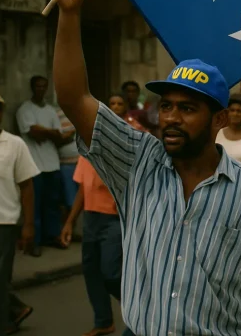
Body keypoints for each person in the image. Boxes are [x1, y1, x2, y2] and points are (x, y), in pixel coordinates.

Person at [52, 0, 241, 336]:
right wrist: (70, 14)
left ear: (218, 120)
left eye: (187, 109)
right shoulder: (137, 161)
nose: (170, 118)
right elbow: (74, 99)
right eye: (166, 106)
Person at [60, 93, 139, 336]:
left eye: (119, 105)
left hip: (115, 217)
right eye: (110, 105)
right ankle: (104, 320)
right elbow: (84, 188)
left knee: (111, 271)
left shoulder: (131, 140)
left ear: (125, 110)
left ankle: (143, 309)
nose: (114, 108)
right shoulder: (89, 143)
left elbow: (137, 182)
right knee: (92, 271)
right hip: (92, 217)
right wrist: (70, 222)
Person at [0, 92, 38, 336]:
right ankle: (16, 308)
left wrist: (28, 225)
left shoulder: (15, 144)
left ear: (1, 113)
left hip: (3, 224)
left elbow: (26, 187)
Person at [16, 75, 72, 256]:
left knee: (52, 204)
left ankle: (52, 236)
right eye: (37, 86)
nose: (41, 89)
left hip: (52, 164)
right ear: (32, 88)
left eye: (43, 86)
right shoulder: (25, 109)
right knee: (35, 205)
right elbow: (32, 132)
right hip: (34, 166)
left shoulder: (50, 110)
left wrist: (45, 132)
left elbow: (60, 136)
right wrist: (50, 132)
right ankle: (35, 242)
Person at [57, 106, 80, 210]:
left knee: (85, 201)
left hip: (84, 163)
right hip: (66, 164)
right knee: (70, 201)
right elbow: (55, 138)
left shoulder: (83, 111)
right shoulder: (56, 114)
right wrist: (68, 135)